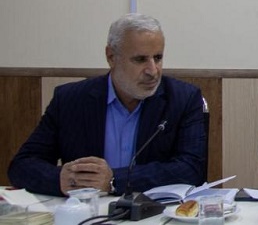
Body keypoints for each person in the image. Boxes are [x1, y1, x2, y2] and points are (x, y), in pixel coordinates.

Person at [7, 13, 206, 196]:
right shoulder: (70, 99)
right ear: (111, 57)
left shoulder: (183, 99)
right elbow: (22, 165)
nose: (153, 71)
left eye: (158, 58)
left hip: (151, 213)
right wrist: (60, 179)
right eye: (140, 59)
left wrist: (114, 180)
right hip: (86, 212)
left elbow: (191, 169)